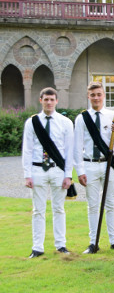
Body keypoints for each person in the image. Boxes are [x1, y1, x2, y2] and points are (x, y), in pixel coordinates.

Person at [74, 82, 114, 254]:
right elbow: (77, 146)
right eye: (93, 95)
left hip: (107, 164)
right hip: (89, 164)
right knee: (93, 205)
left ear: (103, 95)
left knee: (110, 204)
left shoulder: (112, 116)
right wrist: (80, 171)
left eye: (99, 94)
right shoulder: (82, 118)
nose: (96, 98)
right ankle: (92, 242)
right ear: (88, 96)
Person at [22, 87, 74, 258]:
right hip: (38, 169)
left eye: (52, 99)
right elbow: (27, 149)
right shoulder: (32, 122)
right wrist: (27, 174)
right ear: (41, 100)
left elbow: (69, 151)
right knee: (38, 210)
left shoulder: (65, 122)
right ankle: (37, 247)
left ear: (57, 101)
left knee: (59, 209)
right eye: (46, 99)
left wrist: (68, 175)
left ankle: (61, 245)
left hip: (58, 170)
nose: (49, 102)